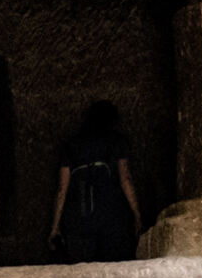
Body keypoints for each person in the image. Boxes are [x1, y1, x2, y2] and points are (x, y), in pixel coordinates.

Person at [49, 100, 144, 262]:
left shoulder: (70, 145)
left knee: (83, 272)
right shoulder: (117, 141)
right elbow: (125, 179)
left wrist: (55, 226)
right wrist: (137, 215)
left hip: (79, 221)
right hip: (111, 218)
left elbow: (62, 189)